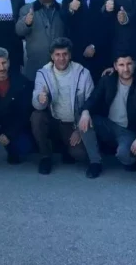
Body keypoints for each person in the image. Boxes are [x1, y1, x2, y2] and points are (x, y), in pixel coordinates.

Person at [30, 37, 101, 178]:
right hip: (53, 121)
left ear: (70, 55)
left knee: (80, 154)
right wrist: (41, 99)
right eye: (57, 55)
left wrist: (79, 130)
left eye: (65, 54)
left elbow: (91, 103)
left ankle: (67, 149)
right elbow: (36, 103)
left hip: (72, 123)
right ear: (52, 56)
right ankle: (45, 157)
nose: (61, 58)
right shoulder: (43, 73)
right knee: (36, 117)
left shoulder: (83, 73)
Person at [77, 54, 136, 171]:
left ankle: (134, 158)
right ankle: (95, 162)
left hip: (128, 131)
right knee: (83, 119)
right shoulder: (108, 80)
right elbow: (93, 99)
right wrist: (85, 112)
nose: (126, 69)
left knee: (124, 156)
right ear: (115, 66)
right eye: (121, 65)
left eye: (129, 64)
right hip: (108, 124)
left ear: (134, 64)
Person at [60, 0, 109, 84]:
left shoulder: (103, 0)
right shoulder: (67, 1)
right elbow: (64, 22)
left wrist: (94, 46)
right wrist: (71, 9)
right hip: (76, 59)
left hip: (99, 59)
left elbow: (107, 29)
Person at [16, 0, 65, 80]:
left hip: (60, 64)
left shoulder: (62, 9)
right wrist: (26, 23)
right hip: (35, 65)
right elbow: (19, 31)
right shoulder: (27, 9)